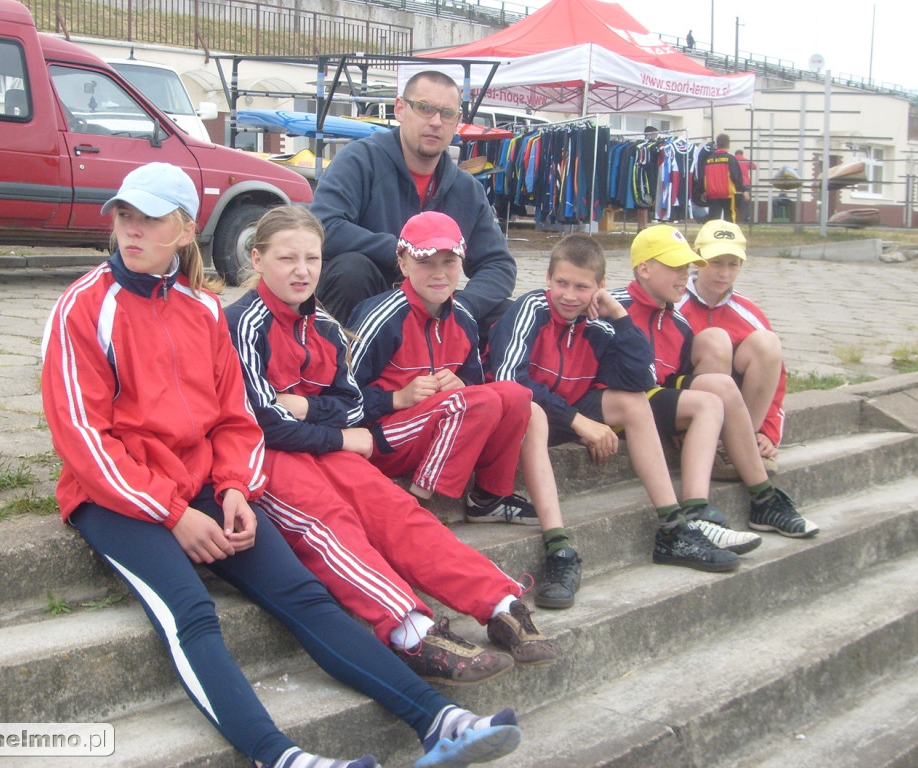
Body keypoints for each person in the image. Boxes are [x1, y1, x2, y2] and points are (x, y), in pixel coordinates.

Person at [40, 162, 523, 768]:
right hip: (117, 499)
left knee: (305, 594)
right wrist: (173, 514)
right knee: (192, 613)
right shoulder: (83, 307)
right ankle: (284, 758)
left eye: (150, 219)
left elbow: (233, 418)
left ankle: (439, 722)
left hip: (207, 487)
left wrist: (236, 488)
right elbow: (82, 437)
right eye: (125, 216)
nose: (131, 230)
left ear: (186, 230)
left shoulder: (202, 310)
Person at [224, 205, 556, 675]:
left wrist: (307, 409)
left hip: (321, 445)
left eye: (313, 259)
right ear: (257, 260)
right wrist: (340, 437)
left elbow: (352, 404)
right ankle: (410, 630)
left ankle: (498, 600)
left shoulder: (323, 326)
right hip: (267, 457)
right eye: (286, 259)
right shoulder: (242, 322)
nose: (302, 271)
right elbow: (265, 423)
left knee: (396, 511)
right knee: (329, 523)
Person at [487, 233, 761, 574]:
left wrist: (618, 316)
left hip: (564, 413)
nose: (570, 296)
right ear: (548, 278)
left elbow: (640, 379)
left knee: (632, 402)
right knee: (533, 410)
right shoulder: (532, 308)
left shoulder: (599, 323)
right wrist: (578, 421)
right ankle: (558, 547)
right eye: (562, 283)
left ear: (601, 286)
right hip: (519, 420)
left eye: (582, 287)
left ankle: (674, 529)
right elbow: (510, 379)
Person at [347, 211, 580, 608]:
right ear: (402, 262)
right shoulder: (380, 316)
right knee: (482, 398)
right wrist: (396, 398)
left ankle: (489, 497)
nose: (439, 273)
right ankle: (419, 503)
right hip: (383, 439)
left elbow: (480, 389)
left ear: (462, 263)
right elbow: (340, 400)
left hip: (437, 432)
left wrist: (465, 385)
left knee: (512, 393)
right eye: (425, 262)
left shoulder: (466, 318)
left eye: (449, 262)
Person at [611, 225, 819, 540]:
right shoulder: (615, 307)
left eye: (685, 267)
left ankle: (763, 498)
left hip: (657, 397)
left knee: (721, 387)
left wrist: (767, 431)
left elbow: (678, 372)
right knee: (709, 395)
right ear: (645, 269)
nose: (683, 275)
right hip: (622, 404)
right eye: (675, 268)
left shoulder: (674, 318)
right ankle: (696, 509)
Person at [311, 69, 515, 340]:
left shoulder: (466, 189)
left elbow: (499, 264)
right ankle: (341, 371)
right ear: (400, 109)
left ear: (457, 122)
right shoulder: (360, 160)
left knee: (505, 312)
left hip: (434, 307)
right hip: (370, 300)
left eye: (447, 113)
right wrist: (403, 251)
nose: (435, 122)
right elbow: (323, 226)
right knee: (351, 269)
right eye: (424, 108)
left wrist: (464, 307)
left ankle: (472, 378)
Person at [678, 219, 785, 477]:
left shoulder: (748, 312)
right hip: (687, 401)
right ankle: (705, 442)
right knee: (716, 341)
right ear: (697, 259)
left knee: (768, 343)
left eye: (732, 264)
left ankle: (747, 439)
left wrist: (769, 430)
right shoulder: (675, 303)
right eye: (715, 262)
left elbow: (778, 377)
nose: (724, 273)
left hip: (736, 410)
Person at [697, 133, 747, 223]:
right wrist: (743, 190)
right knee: (730, 216)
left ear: (716, 145)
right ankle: (730, 234)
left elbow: (703, 176)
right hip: (727, 193)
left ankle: (713, 234)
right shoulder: (730, 159)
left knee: (714, 218)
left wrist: (703, 191)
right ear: (729, 145)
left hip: (712, 193)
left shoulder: (708, 159)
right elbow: (736, 176)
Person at [635, 126, 660, 232]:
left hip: (642, 174)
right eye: (655, 135)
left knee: (642, 202)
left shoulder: (643, 146)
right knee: (645, 199)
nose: (656, 137)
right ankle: (643, 226)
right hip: (647, 175)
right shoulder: (646, 147)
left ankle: (640, 226)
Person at [734, 150, 757, 223]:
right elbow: (754, 166)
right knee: (745, 205)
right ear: (742, 154)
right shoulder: (746, 160)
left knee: (734, 204)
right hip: (746, 184)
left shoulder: (733, 160)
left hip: (735, 184)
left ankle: (734, 221)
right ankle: (743, 221)